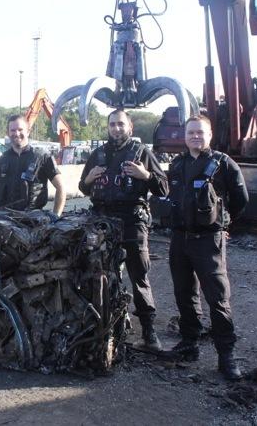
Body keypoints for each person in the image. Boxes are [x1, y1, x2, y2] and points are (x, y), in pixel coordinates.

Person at [166, 115, 248, 381]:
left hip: (208, 240)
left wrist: (223, 223)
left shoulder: (224, 164)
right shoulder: (177, 165)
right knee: (184, 292)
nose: (195, 137)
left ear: (210, 135)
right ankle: (190, 342)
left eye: (200, 133)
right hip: (180, 239)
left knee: (218, 297)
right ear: (185, 136)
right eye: (191, 133)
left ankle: (227, 355)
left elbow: (240, 199)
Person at [79, 109, 168, 351]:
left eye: (121, 124)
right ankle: (102, 326)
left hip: (131, 221)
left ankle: (150, 334)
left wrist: (146, 174)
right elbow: (83, 187)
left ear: (130, 127)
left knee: (139, 275)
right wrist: (89, 180)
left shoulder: (142, 153)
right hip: (101, 222)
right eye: (112, 125)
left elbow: (163, 189)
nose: (116, 129)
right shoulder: (98, 154)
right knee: (99, 275)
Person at [0, 115, 66, 216]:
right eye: (13, 130)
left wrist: (55, 216)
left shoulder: (42, 157)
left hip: (32, 221)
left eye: (20, 129)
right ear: (7, 133)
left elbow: (61, 187)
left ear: (28, 131)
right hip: (4, 220)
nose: (16, 133)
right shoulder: (1, 160)